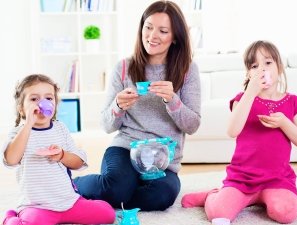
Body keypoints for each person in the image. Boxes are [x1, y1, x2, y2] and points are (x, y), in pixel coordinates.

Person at [73, 0, 201, 211]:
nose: (152, 36)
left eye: (163, 30)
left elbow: (193, 125)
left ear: (175, 37)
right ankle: (74, 185)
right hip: (126, 148)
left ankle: (121, 193)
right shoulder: (123, 68)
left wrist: (173, 101)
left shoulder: (187, 70)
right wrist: (118, 106)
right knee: (115, 188)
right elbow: (106, 126)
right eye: (148, 27)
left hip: (163, 159)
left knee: (162, 196)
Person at [181, 40, 297, 225]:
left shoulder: (292, 102)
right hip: (243, 178)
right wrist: (250, 92)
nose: (262, 70)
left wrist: (284, 123)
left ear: (279, 67)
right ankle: (211, 195)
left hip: (277, 179)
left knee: (286, 213)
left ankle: (262, 198)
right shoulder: (242, 100)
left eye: (268, 63)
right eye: (254, 66)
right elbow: (232, 130)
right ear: (248, 73)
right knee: (219, 213)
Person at [1, 74, 115, 225]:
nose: (42, 103)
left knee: (107, 214)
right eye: (34, 99)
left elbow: (78, 162)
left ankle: (64, 215)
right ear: (21, 108)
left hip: (68, 202)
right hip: (37, 206)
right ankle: (8, 218)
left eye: (48, 97)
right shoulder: (19, 133)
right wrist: (28, 125)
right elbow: (10, 160)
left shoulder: (60, 129)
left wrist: (62, 155)